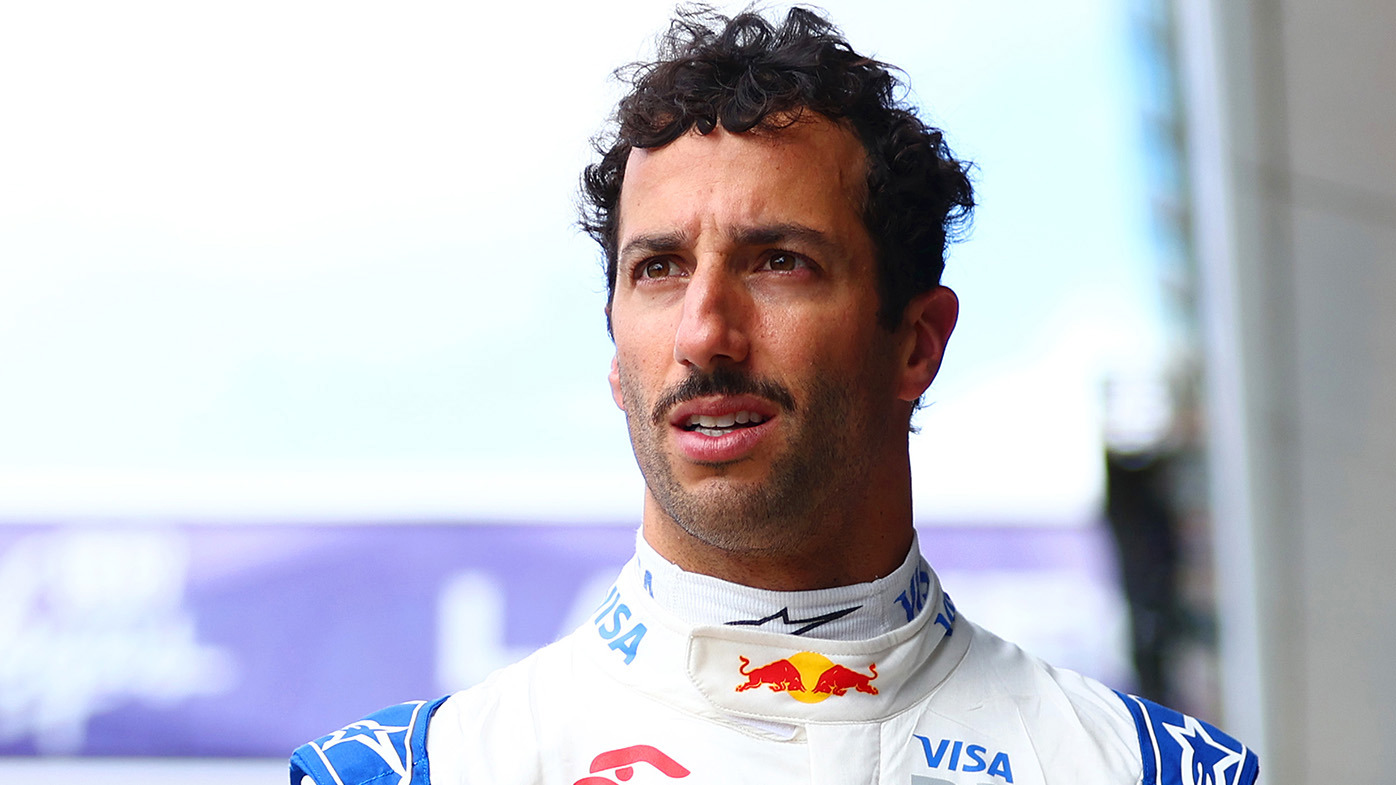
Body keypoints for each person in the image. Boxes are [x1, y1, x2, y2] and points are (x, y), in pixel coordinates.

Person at [290, 7, 1260, 784]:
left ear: (916, 343)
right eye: (659, 268)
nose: (706, 332)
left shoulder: (1156, 770)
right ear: (614, 348)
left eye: (779, 263)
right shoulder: (413, 769)